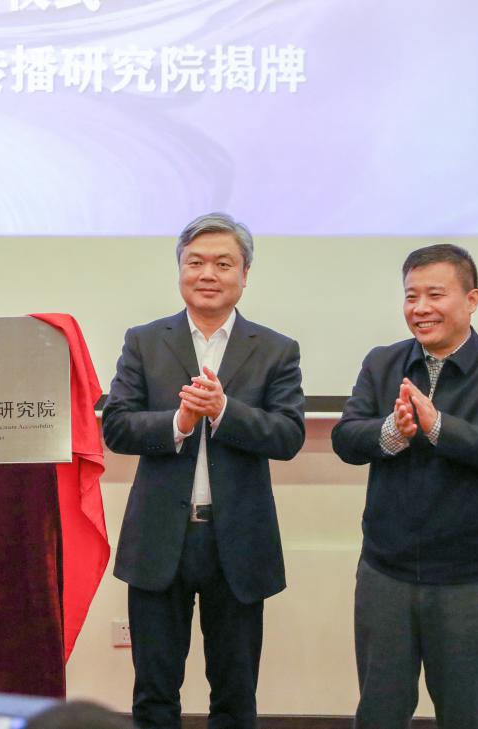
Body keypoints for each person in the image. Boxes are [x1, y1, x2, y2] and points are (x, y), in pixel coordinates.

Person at [101, 212, 305, 729]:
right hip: (159, 539)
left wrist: (224, 411)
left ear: (245, 274)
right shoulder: (145, 341)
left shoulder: (276, 349)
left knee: (235, 694)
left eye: (223, 263)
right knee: (154, 693)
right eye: (195, 262)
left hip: (237, 542)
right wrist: (179, 422)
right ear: (180, 270)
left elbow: (288, 436)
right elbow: (117, 427)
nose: (207, 274)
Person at [332, 244, 478, 729]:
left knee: (466, 713)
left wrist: (438, 426)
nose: (420, 308)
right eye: (411, 296)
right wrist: (393, 432)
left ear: (472, 299)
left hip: (470, 577)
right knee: (380, 711)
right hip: (386, 569)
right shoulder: (382, 363)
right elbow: (346, 438)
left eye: (435, 295)